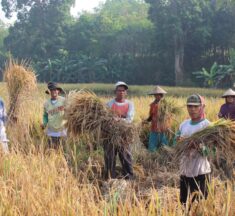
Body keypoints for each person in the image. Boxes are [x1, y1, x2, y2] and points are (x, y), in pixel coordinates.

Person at [178, 94, 211, 205]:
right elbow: (175, 145)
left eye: (196, 106)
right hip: (185, 171)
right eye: (189, 106)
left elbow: (212, 151)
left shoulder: (207, 126)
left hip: (200, 172)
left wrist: (198, 146)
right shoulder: (183, 125)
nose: (192, 109)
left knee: (199, 205)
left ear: (202, 107)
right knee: (184, 204)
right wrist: (179, 141)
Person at [104, 81, 135, 179]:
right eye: (119, 90)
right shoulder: (109, 104)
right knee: (110, 157)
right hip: (110, 135)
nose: (121, 92)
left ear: (126, 92)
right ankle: (110, 178)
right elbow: (106, 119)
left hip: (124, 135)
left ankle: (129, 177)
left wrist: (116, 120)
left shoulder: (130, 104)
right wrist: (120, 120)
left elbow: (129, 119)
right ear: (115, 92)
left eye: (123, 90)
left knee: (126, 156)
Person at [41, 82, 66, 149]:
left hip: (62, 129)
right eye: (51, 90)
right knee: (52, 149)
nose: (54, 91)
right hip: (51, 130)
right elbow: (45, 116)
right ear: (49, 92)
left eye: (55, 90)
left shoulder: (64, 100)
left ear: (58, 91)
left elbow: (70, 110)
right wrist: (44, 123)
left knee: (62, 149)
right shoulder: (46, 103)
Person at [146, 86, 168, 152]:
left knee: (164, 146)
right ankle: (152, 159)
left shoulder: (165, 105)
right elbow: (151, 116)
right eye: (155, 95)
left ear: (161, 95)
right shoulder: (152, 105)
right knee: (152, 146)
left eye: (158, 95)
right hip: (154, 128)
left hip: (162, 128)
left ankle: (165, 158)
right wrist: (146, 120)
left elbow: (167, 116)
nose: (156, 96)